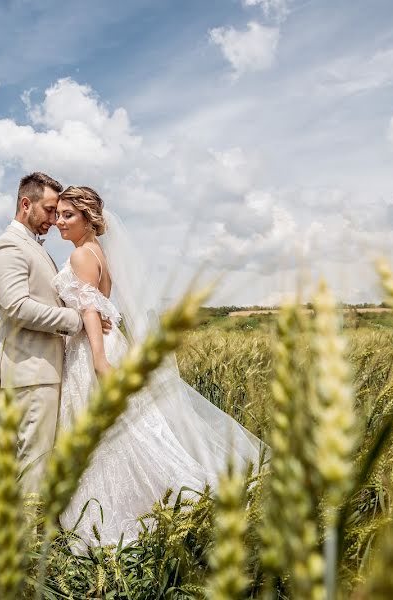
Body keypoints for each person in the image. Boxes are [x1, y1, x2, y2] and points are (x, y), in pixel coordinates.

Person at [52, 185, 267, 549]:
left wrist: (100, 360)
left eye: (67, 215)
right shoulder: (97, 252)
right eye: (57, 214)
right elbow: (96, 305)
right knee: (130, 428)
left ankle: (127, 509)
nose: (59, 221)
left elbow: (90, 309)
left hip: (93, 349)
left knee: (108, 435)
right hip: (108, 342)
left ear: (88, 217)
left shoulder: (79, 257)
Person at [0, 173, 111, 495]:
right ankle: (29, 542)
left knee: (40, 459)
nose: (54, 220)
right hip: (31, 369)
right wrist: (78, 320)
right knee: (34, 461)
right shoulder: (8, 246)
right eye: (49, 209)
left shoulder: (36, 248)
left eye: (61, 212)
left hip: (49, 367)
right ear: (26, 204)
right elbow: (16, 307)